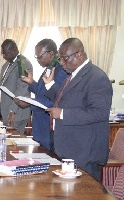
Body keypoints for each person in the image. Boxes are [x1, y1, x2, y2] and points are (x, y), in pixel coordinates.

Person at [46, 38, 113, 181]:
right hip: (71, 150)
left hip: (84, 153)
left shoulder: (97, 77)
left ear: (78, 55)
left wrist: (63, 114)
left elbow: (100, 113)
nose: (62, 63)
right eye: (60, 60)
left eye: (64, 59)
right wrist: (50, 86)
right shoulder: (73, 75)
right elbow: (68, 100)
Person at [18, 39, 67, 151]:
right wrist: (32, 83)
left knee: (48, 162)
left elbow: (55, 100)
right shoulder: (49, 69)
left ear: (50, 53)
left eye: (39, 56)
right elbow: (43, 93)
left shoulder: (60, 71)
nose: (38, 60)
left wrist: (30, 103)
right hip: (39, 126)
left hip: (47, 127)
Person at [0, 39, 33, 134]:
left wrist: (12, 111)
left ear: (14, 50)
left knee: (13, 144)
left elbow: (22, 89)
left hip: (16, 113)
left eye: (6, 53)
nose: (4, 56)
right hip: (6, 111)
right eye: (2, 53)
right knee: (8, 143)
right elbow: (3, 84)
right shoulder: (7, 64)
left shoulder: (23, 63)